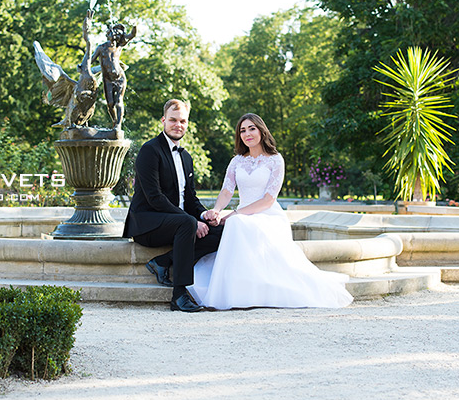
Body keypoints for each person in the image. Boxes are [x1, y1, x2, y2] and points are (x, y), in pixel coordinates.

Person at [190, 113, 354, 310]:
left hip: (268, 214)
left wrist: (235, 213)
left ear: (261, 130)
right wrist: (216, 210)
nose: (247, 133)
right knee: (235, 223)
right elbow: (226, 191)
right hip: (243, 212)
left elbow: (268, 199)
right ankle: (238, 288)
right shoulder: (236, 161)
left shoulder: (275, 160)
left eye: (252, 128)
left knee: (236, 222)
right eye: (243, 130)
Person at [123, 99, 223, 312]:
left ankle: (162, 261)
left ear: (187, 124)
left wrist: (204, 215)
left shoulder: (186, 157)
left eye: (183, 121)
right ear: (163, 121)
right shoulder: (150, 150)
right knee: (187, 223)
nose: (178, 125)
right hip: (147, 223)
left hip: (176, 222)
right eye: (173, 120)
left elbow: (191, 198)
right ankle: (179, 295)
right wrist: (192, 222)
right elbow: (154, 198)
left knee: (221, 230)